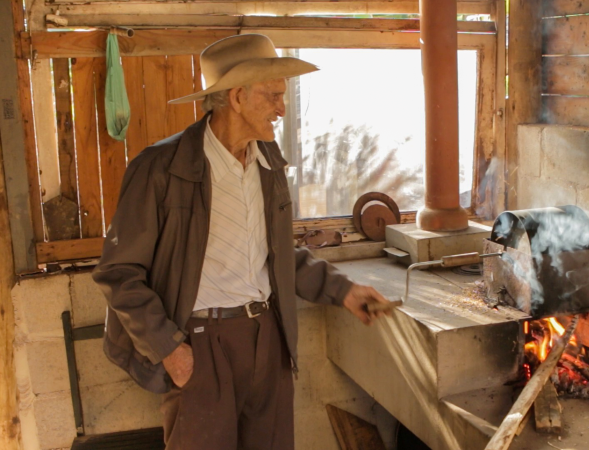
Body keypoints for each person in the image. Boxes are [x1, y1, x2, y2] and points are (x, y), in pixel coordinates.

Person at [92, 34, 391, 450]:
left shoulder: (267, 164)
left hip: (266, 338)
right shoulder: (160, 168)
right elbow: (118, 273)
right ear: (236, 97)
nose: (282, 110)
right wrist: (170, 350)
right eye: (273, 96)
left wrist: (343, 290)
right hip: (200, 343)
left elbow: (278, 254)